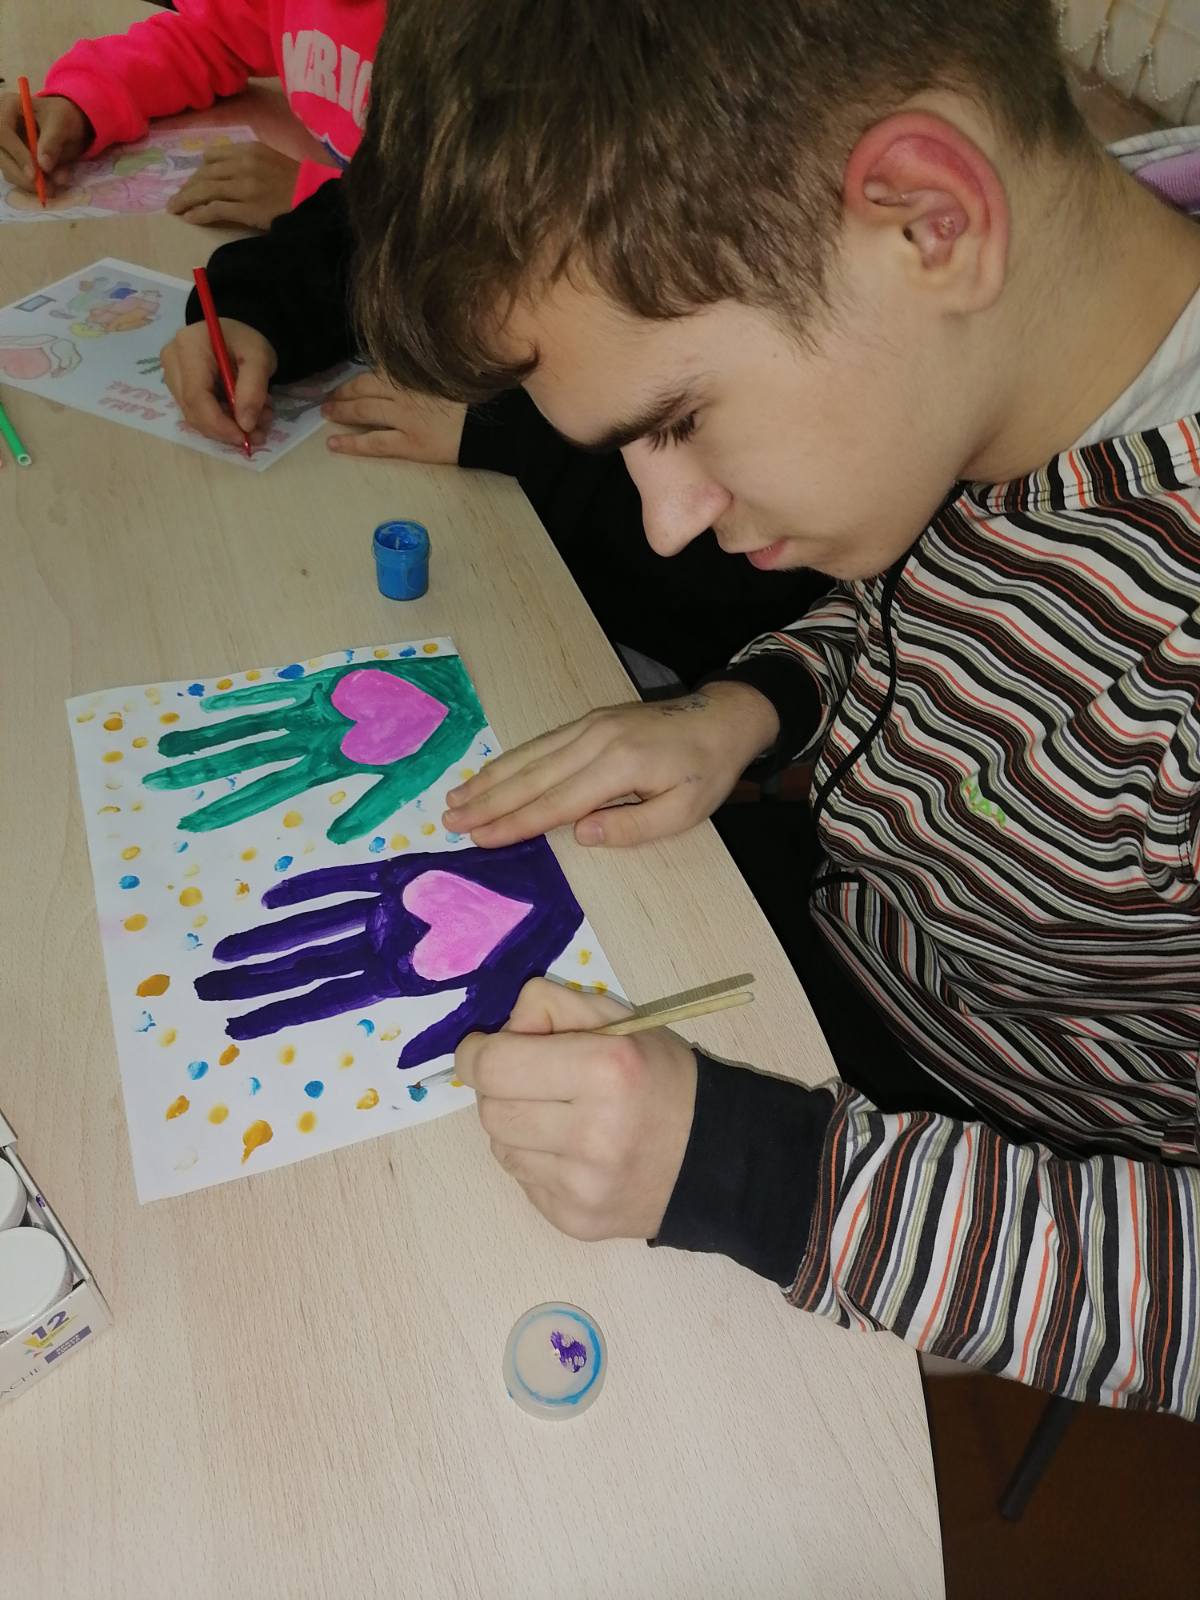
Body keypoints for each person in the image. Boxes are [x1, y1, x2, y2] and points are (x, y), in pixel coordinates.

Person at [340, 0, 1200, 1417]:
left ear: (930, 220)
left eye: (680, 419)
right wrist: (753, 705)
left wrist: (757, 1174)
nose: (665, 522)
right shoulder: (1012, 345)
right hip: (861, 941)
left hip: (994, 1165)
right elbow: (963, 607)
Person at [155, 176, 828, 684]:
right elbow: (379, 220)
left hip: (641, 633)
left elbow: (751, 604)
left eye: (680, 421)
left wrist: (511, 438)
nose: (666, 523)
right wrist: (253, 309)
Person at [0, 0, 384, 229]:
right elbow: (208, 37)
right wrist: (82, 103)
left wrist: (320, 199)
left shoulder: (422, 33)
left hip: (385, 276)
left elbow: (427, 231)